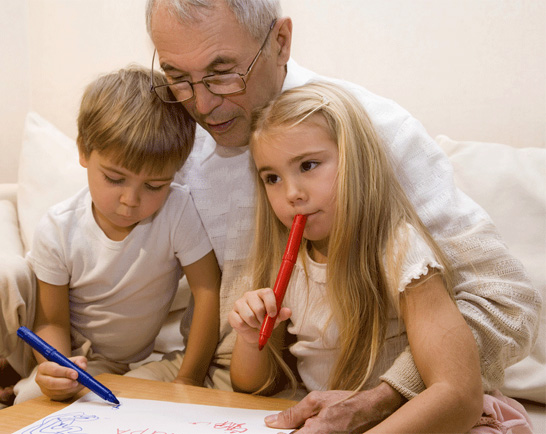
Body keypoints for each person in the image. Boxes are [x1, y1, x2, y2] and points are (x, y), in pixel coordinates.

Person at [126, 0, 541, 431]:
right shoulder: (173, 136)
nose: (203, 105)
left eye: (222, 73)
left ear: (280, 42)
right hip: (231, 386)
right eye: (177, 78)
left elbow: (506, 302)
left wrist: (384, 397)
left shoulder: (371, 132)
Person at [0, 65, 221, 432]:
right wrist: (56, 363)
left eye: (155, 186)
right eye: (115, 178)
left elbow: (209, 291)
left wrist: (188, 380)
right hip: (48, 335)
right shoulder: (58, 226)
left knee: (34, 401)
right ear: (83, 151)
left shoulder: (178, 211)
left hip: (106, 362)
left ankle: (11, 375)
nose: (131, 200)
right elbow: (49, 320)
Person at [228, 81, 534, 433]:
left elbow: (458, 397)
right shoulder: (287, 260)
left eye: (309, 165)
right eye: (272, 178)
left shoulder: (400, 250)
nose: (292, 193)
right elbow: (252, 386)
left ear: (356, 162)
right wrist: (252, 340)